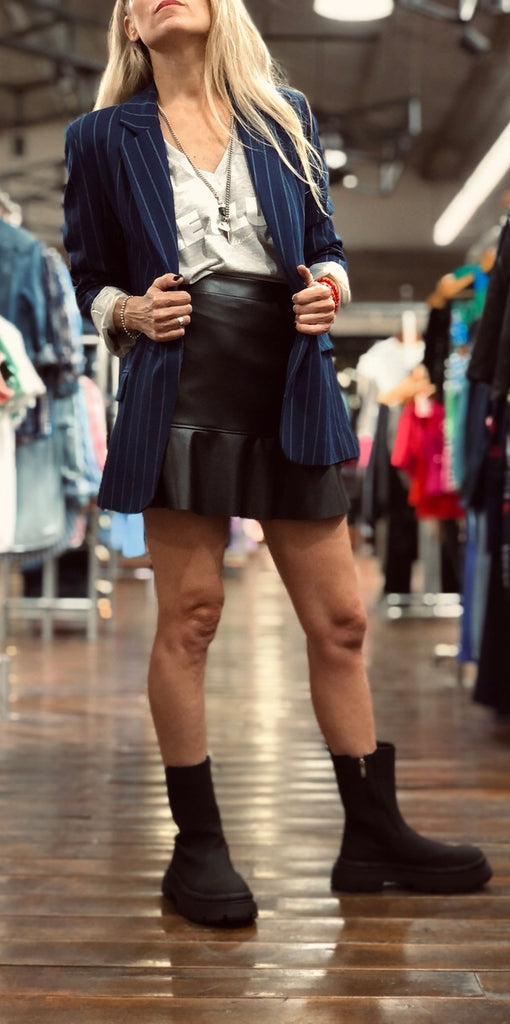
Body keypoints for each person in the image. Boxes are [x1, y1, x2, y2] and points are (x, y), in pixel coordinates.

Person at [63, 0, 492, 928]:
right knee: (192, 618)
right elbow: (87, 272)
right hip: (179, 385)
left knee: (341, 620)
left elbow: (326, 249)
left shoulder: (281, 116)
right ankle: (197, 847)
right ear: (130, 28)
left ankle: (371, 835)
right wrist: (126, 312)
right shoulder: (100, 138)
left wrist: (330, 290)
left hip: (289, 378)